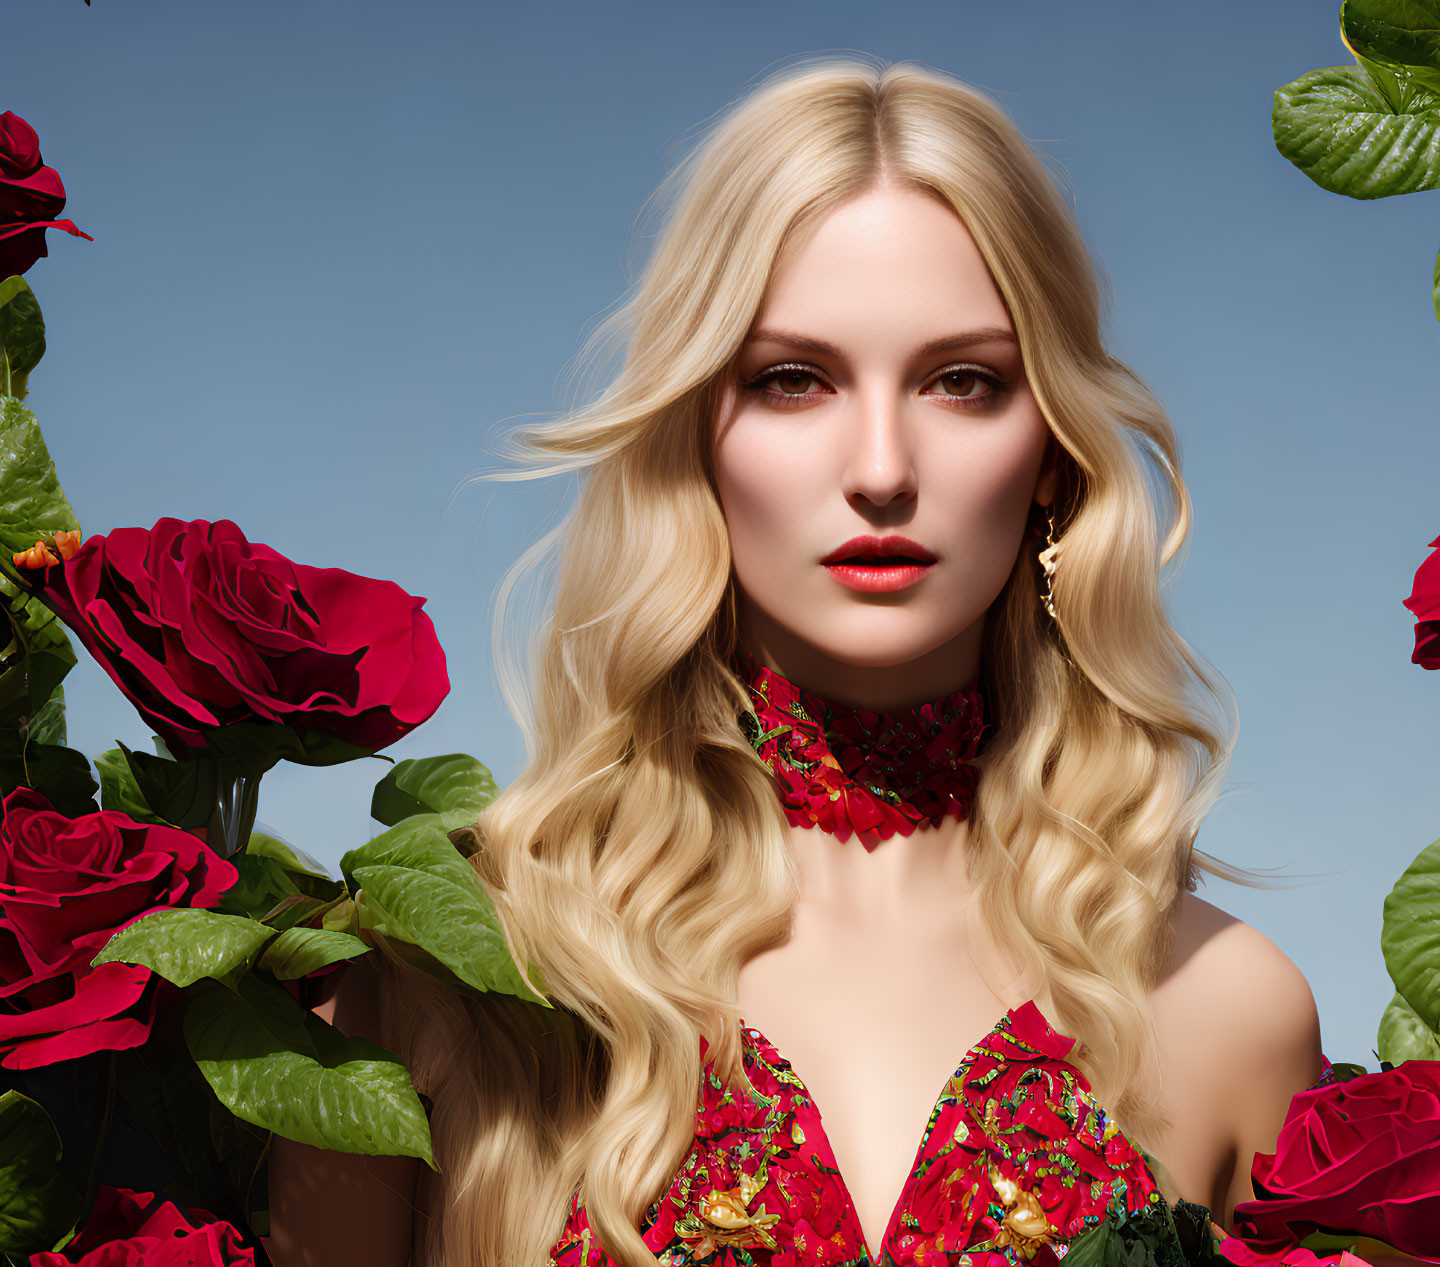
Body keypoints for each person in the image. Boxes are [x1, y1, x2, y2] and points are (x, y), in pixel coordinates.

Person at [268, 54, 1324, 1267]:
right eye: (791, 380)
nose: (881, 465)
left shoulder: (1230, 1013)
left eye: (962, 382)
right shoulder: (441, 972)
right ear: (694, 436)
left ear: (1051, 453)